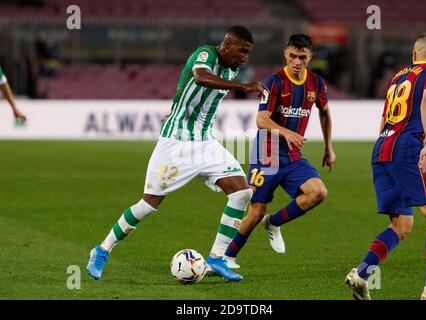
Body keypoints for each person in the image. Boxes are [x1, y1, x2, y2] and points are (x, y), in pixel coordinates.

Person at [86, 25, 266, 282]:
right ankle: (102, 250)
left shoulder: (231, 68)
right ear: (227, 44)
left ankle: (216, 258)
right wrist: (243, 87)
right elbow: (201, 78)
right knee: (147, 205)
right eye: (243, 51)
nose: (245, 58)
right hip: (175, 143)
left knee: (242, 192)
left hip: (204, 143)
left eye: (248, 53)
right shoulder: (205, 54)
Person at [345, 32, 426, 300]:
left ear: (414, 55)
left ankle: (361, 275)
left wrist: (385, 143)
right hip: (408, 149)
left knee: (402, 224)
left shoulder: (398, 76)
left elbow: (384, 117)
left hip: (382, 148)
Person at [222, 34, 336, 278]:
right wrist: (286, 133)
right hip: (267, 155)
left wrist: (329, 147)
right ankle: (228, 257)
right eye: (293, 56)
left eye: (302, 57)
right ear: (286, 53)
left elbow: (324, 112)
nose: (297, 61)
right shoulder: (274, 83)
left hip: (292, 155)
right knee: (256, 211)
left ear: (310, 57)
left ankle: (274, 223)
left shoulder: (317, 83)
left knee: (318, 192)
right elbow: (261, 119)